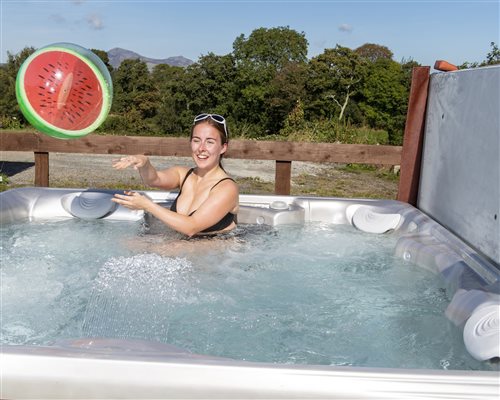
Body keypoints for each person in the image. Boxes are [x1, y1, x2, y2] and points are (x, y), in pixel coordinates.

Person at [111, 113, 239, 237]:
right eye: (196, 140)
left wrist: (147, 205)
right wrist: (144, 162)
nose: (201, 148)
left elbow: (191, 227)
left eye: (210, 142)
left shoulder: (227, 188)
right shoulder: (183, 174)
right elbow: (154, 179)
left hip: (216, 252)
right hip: (186, 248)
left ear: (223, 147)